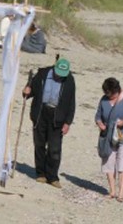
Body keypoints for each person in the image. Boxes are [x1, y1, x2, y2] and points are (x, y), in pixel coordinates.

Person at [22, 58, 76, 188]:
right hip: (41, 113)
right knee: (39, 144)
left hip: (58, 116)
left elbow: (71, 103)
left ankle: (52, 176)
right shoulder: (42, 74)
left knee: (54, 148)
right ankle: (40, 173)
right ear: (54, 68)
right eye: (58, 74)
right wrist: (26, 92)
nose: (59, 77)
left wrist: (68, 122)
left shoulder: (69, 80)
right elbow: (31, 91)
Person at [95, 77, 123, 202]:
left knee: (121, 163)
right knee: (108, 162)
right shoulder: (104, 100)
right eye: (106, 93)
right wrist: (100, 124)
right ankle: (112, 191)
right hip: (108, 136)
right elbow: (98, 116)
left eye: (111, 94)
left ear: (117, 91)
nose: (109, 96)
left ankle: (121, 193)